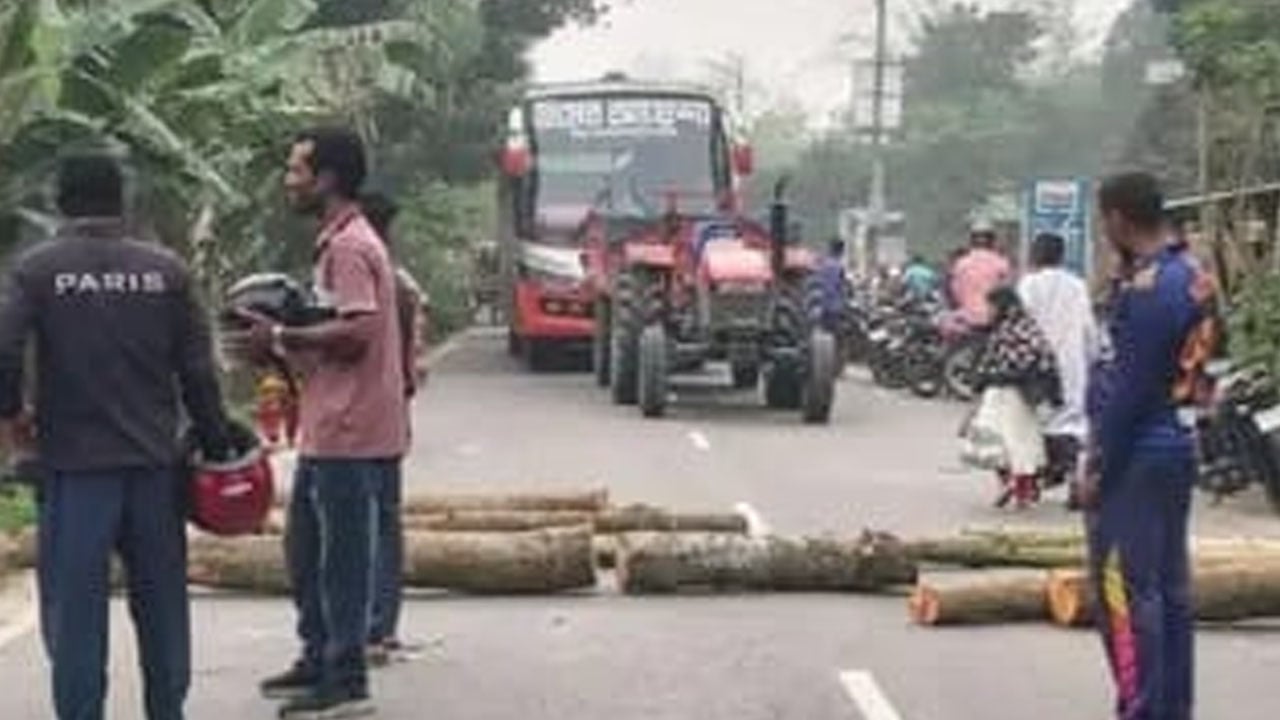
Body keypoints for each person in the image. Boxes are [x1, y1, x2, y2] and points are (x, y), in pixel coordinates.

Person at [0, 153, 233, 720]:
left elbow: (3, 349)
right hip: (155, 467)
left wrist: (12, 416)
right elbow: (199, 372)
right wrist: (217, 443)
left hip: (75, 470)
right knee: (162, 611)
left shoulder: (37, 270)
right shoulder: (167, 272)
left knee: (77, 616)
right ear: (121, 202)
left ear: (60, 203)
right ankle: (166, 711)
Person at [240, 128, 408, 718]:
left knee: (340, 558)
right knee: (305, 549)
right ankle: (318, 656)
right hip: (328, 423)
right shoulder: (339, 240)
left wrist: (281, 335)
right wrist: (283, 349)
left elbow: (359, 332)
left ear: (328, 177)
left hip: (349, 429)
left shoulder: (347, 249)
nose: (289, 181)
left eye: (296, 170)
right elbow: (337, 329)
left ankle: (346, 678)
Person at [1087, 172, 1213, 720]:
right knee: (1169, 591)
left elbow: (1130, 388)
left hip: (1137, 451)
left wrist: (1096, 462)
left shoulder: (1149, 288)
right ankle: (1171, 708)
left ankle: (1139, 708)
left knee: (1124, 590)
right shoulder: (1192, 275)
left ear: (1116, 218)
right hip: (1178, 441)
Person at [357, 192, 427, 665]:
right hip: (393, 410)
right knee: (385, 518)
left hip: (360, 416)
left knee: (361, 524)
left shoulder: (371, 276)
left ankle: (370, 626)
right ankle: (383, 626)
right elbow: (414, 361)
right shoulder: (400, 282)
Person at [1018, 233, 1100, 507]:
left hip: (1038, 363)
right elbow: (1089, 327)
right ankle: (1077, 474)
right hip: (1072, 361)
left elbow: (1020, 323)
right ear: (1061, 256)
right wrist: (1093, 356)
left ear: (1035, 255)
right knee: (1074, 423)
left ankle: (1031, 479)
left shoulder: (1029, 285)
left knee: (1036, 420)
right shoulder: (1077, 285)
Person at [970, 286, 1062, 509]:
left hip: (1009, 393)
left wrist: (985, 379)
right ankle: (1020, 488)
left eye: (991, 306)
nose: (989, 311)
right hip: (1017, 393)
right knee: (1018, 444)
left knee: (1000, 443)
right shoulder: (1026, 328)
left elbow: (1005, 363)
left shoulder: (1006, 331)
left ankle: (1015, 486)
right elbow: (1044, 358)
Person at [949, 220, 1012, 326]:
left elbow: (955, 294)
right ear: (992, 240)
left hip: (967, 320)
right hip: (994, 322)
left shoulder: (961, 264)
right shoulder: (1002, 263)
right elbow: (1007, 294)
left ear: (971, 240)